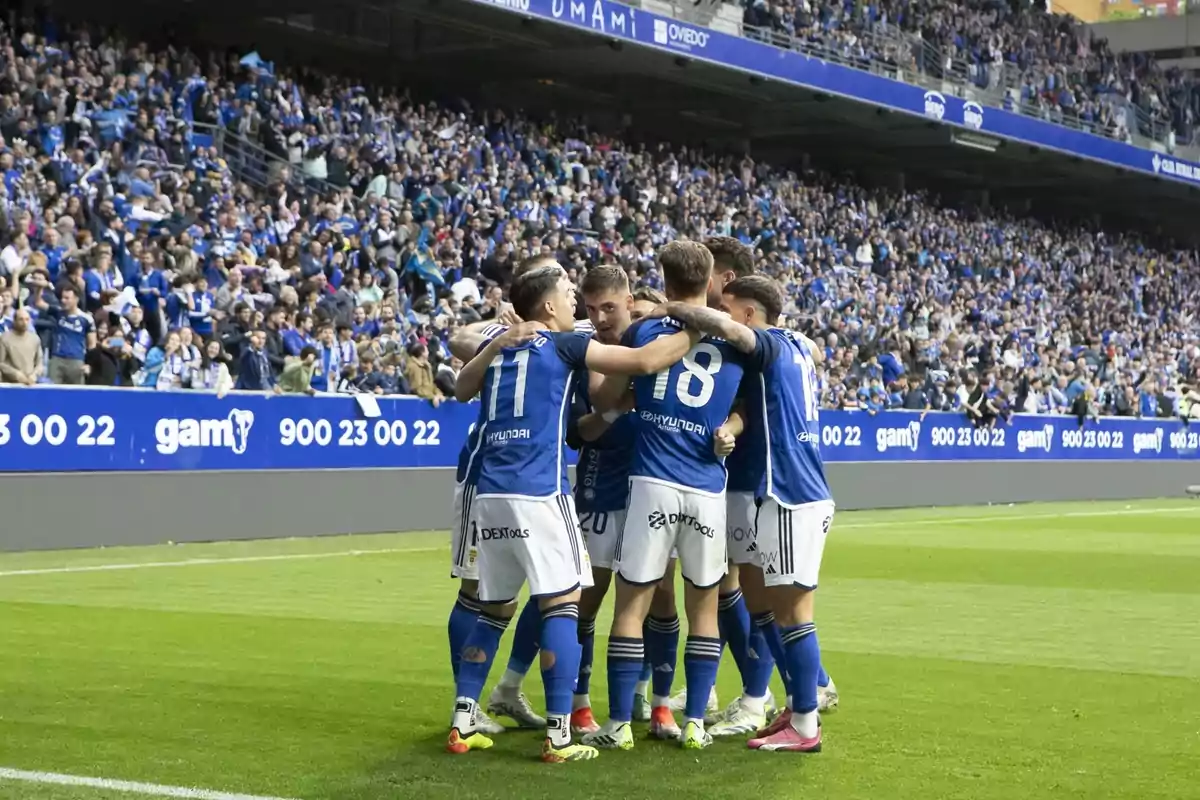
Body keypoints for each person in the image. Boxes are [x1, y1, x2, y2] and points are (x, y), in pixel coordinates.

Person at [445, 263, 697, 763]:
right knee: (563, 602)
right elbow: (646, 361)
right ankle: (561, 733)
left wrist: (497, 340)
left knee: (494, 608)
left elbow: (459, 387)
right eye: (567, 294)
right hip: (539, 490)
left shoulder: (504, 345)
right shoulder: (564, 345)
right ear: (549, 307)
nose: (575, 304)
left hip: (491, 491)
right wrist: (696, 324)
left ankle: (462, 719)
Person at [657, 274, 834, 753]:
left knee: (794, 614)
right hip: (776, 491)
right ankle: (796, 709)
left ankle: (806, 722)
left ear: (750, 315)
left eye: (729, 308)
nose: (723, 318)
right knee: (769, 608)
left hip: (791, 492)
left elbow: (727, 329)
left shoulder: (770, 342)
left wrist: (671, 309)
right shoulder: (797, 342)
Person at [584, 241, 748, 752]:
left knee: (631, 606)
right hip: (706, 487)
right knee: (703, 607)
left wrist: (633, 395)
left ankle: (618, 724)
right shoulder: (735, 341)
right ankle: (696, 719)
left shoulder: (646, 329)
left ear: (664, 277)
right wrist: (732, 426)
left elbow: (607, 396)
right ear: (713, 281)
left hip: (652, 483)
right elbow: (747, 407)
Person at [441, 255, 594, 736]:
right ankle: (468, 704)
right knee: (478, 592)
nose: (573, 286)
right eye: (563, 278)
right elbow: (457, 340)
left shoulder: (565, 331)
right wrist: (503, 324)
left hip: (516, 478)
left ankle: (501, 691)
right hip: (490, 471)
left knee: (527, 593)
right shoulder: (509, 334)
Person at [47, 285, 94, 385]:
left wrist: (89, 364)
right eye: (62, 298)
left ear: (76, 299)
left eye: (67, 298)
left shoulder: (86, 319)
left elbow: (92, 345)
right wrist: (41, 288)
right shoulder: (58, 313)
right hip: (57, 359)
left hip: (76, 360)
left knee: (76, 395)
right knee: (53, 392)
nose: (63, 301)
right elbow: (39, 303)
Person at [0, 308, 44, 385]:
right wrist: (16, 374)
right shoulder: (4, 338)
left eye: (27, 319)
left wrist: (34, 375)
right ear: (14, 321)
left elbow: (39, 363)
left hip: (30, 383)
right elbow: (1, 363)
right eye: (21, 319)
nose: (24, 323)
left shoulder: (35, 339)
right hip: (10, 384)